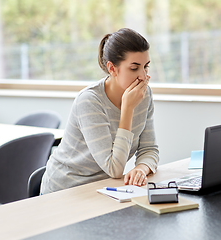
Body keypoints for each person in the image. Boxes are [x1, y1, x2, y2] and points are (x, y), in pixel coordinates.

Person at [40, 28, 159, 194]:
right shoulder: (89, 101)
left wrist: (141, 168)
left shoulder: (144, 95)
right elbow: (114, 168)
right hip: (66, 189)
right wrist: (127, 109)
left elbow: (149, 149)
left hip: (103, 187)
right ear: (112, 68)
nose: (143, 76)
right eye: (134, 68)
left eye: (146, 67)